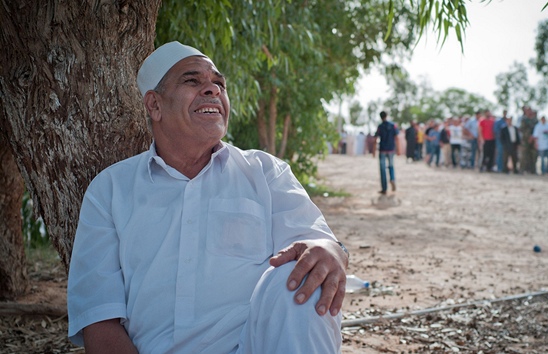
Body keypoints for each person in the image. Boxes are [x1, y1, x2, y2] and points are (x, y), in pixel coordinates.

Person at [67, 42, 348, 354]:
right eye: (193, 81)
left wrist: (329, 249)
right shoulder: (110, 190)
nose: (212, 90)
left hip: (257, 346)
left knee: (304, 275)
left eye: (219, 83)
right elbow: (99, 320)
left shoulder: (265, 173)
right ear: (155, 105)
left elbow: (317, 242)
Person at [373, 110, 399, 194]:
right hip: (391, 149)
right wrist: (398, 149)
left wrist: (373, 151)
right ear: (386, 116)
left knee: (382, 169)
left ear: (380, 117)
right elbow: (397, 137)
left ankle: (384, 188)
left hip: (382, 150)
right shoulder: (393, 125)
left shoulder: (380, 126)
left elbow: (375, 138)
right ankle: (392, 179)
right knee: (391, 166)